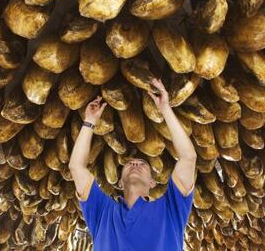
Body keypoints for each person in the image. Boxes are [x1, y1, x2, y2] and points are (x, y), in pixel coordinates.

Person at [68, 78, 197, 251]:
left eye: (142, 163)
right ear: (120, 183)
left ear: (153, 182)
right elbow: (77, 167)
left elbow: (188, 158)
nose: (135, 162)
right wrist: (89, 122)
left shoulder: (171, 209)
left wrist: (165, 109)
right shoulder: (102, 211)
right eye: (131, 163)